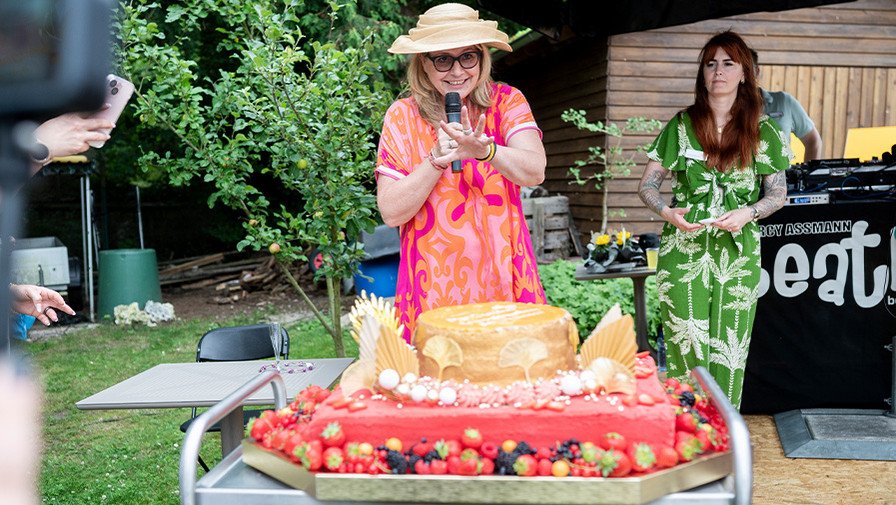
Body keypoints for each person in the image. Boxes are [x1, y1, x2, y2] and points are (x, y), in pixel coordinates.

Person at [375, 3, 547, 342]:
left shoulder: (507, 102)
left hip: (505, 280)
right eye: (442, 59)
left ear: (483, 58)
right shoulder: (402, 116)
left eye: (467, 56)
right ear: (423, 62)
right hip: (431, 291)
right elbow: (392, 212)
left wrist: (487, 151)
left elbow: (535, 171)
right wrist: (435, 161)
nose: (457, 70)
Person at [637, 31, 790, 409]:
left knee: (730, 348)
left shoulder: (763, 131)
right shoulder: (680, 125)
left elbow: (778, 194)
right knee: (685, 343)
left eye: (728, 63)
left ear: (744, 73)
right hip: (683, 249)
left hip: (737, 253)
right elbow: (648, 186)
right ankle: (690, 435)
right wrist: (666, 213)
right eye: (710, 63)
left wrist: (749, 212)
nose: (717, 71)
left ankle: (723, 440)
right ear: (702, 73)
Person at [750, 48, 823, 161]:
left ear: (757, 71)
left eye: (747, 69)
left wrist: (808, 175)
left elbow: (813, 141)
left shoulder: (784, 102)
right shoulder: (722, 107)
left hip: (782, 177)